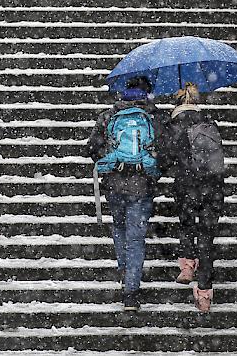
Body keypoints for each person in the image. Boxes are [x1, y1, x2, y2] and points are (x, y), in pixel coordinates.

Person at [86, 76, 166, 311]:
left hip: (115, 184)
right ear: (147, 92)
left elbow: (92, 148)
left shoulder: (109, 116)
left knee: (119, 229)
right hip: (142, 185)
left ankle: (125, 269)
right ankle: (131, 291)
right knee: (136, 237)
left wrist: (114, 159)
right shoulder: (155, 117)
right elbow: (166, 152)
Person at [163, 82, 224, 312]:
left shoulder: (173, 125)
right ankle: (205, 294)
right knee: (207, 238)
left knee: (187, 224)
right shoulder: (209, 123)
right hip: (213, 187)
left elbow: (166, 158)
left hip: (187, 186)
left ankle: (188, 265)